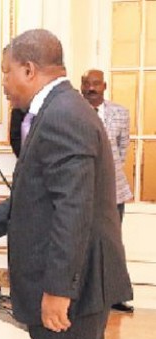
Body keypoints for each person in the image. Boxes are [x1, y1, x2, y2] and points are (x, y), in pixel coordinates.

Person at [0, 29, 133, 339]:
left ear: (28, 69)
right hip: (76, 285)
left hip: (72, 290)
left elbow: (73, 209)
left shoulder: (63, 114)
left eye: (6, 72)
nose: (4, 84)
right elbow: (31, 201)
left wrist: (58, 289)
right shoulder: (59, 109)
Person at [81, 69, 135, 313]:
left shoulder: (120, 113)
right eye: (86, 84)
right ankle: (82, 292)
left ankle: (113, 295)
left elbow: (122, 149)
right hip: (80, 190)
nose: (91, 88)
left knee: (112, 243)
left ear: (104, 86)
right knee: (80, 240)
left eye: (95, 84)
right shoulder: (73, 112)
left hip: (114, 191)